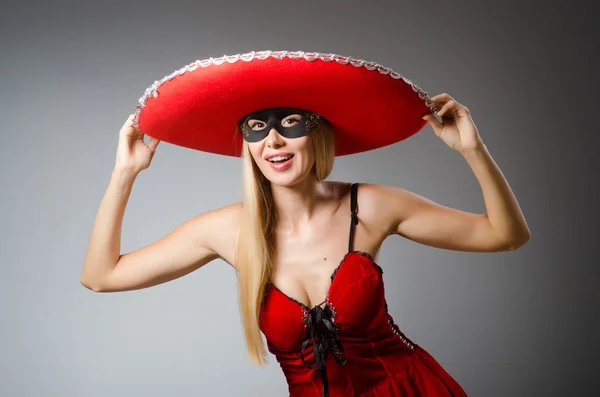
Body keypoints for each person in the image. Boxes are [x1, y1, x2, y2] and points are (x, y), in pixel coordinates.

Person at [80, 52, 530, 396]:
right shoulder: (226, 231)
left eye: (290, 123)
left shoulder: (369, 206)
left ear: (318, 134)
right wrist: (125, 173)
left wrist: (473, 150)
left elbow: (505, 236)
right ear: (248, 147)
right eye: (257, 128)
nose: (273, 139)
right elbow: (101, 276)